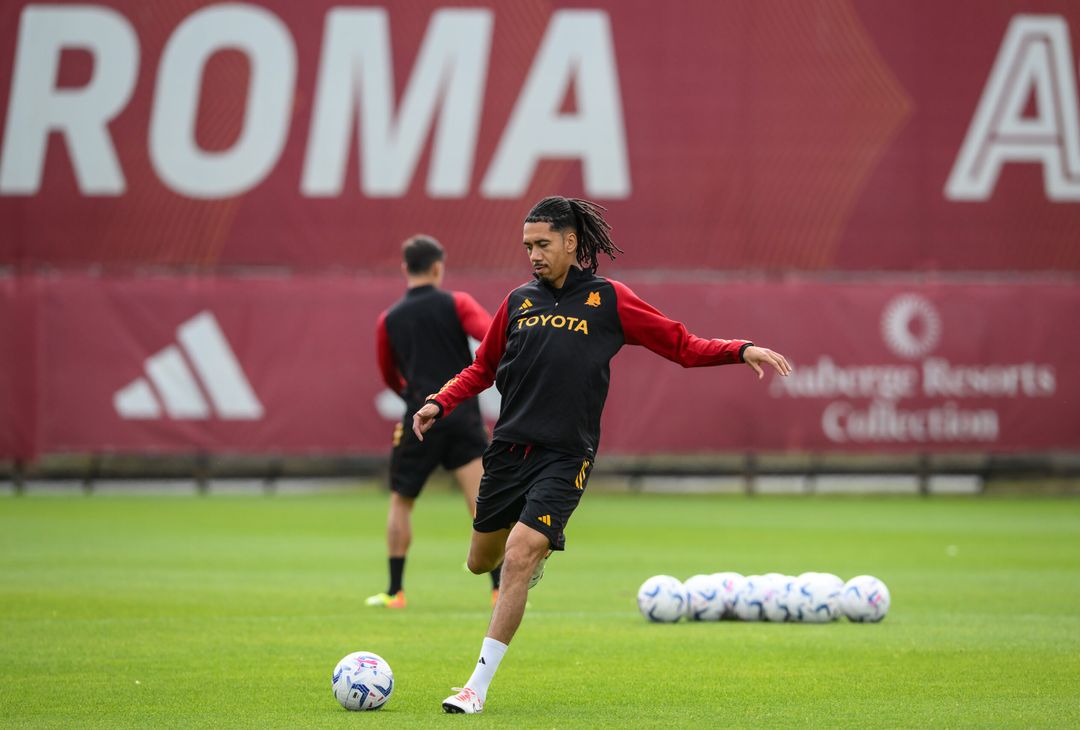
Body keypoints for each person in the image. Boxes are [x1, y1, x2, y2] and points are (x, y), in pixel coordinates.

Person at [412, 197, 792, 714]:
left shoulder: (609, 300)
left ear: (572, 242)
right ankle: (529, 553)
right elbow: (483, 368)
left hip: (567, 454)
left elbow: (681, 344)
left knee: (520, 553)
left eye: (543, 244)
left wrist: (738, 348)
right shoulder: (518, 301)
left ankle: (474, 688)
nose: (534, 255)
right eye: (528, 246)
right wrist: (440, 400)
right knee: (482, 562)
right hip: (507, 451)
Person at [366, 235, 501, 609]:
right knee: (481, 501)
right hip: (461, 413)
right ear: (438, 267)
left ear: (405, 268)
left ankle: (395, 592)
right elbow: (491, 335)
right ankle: (497, 589)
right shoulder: (456, 302)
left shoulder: (389, 319)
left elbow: (388, 374)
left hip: (418, 419)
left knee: (401, 502)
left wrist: (414, 396)